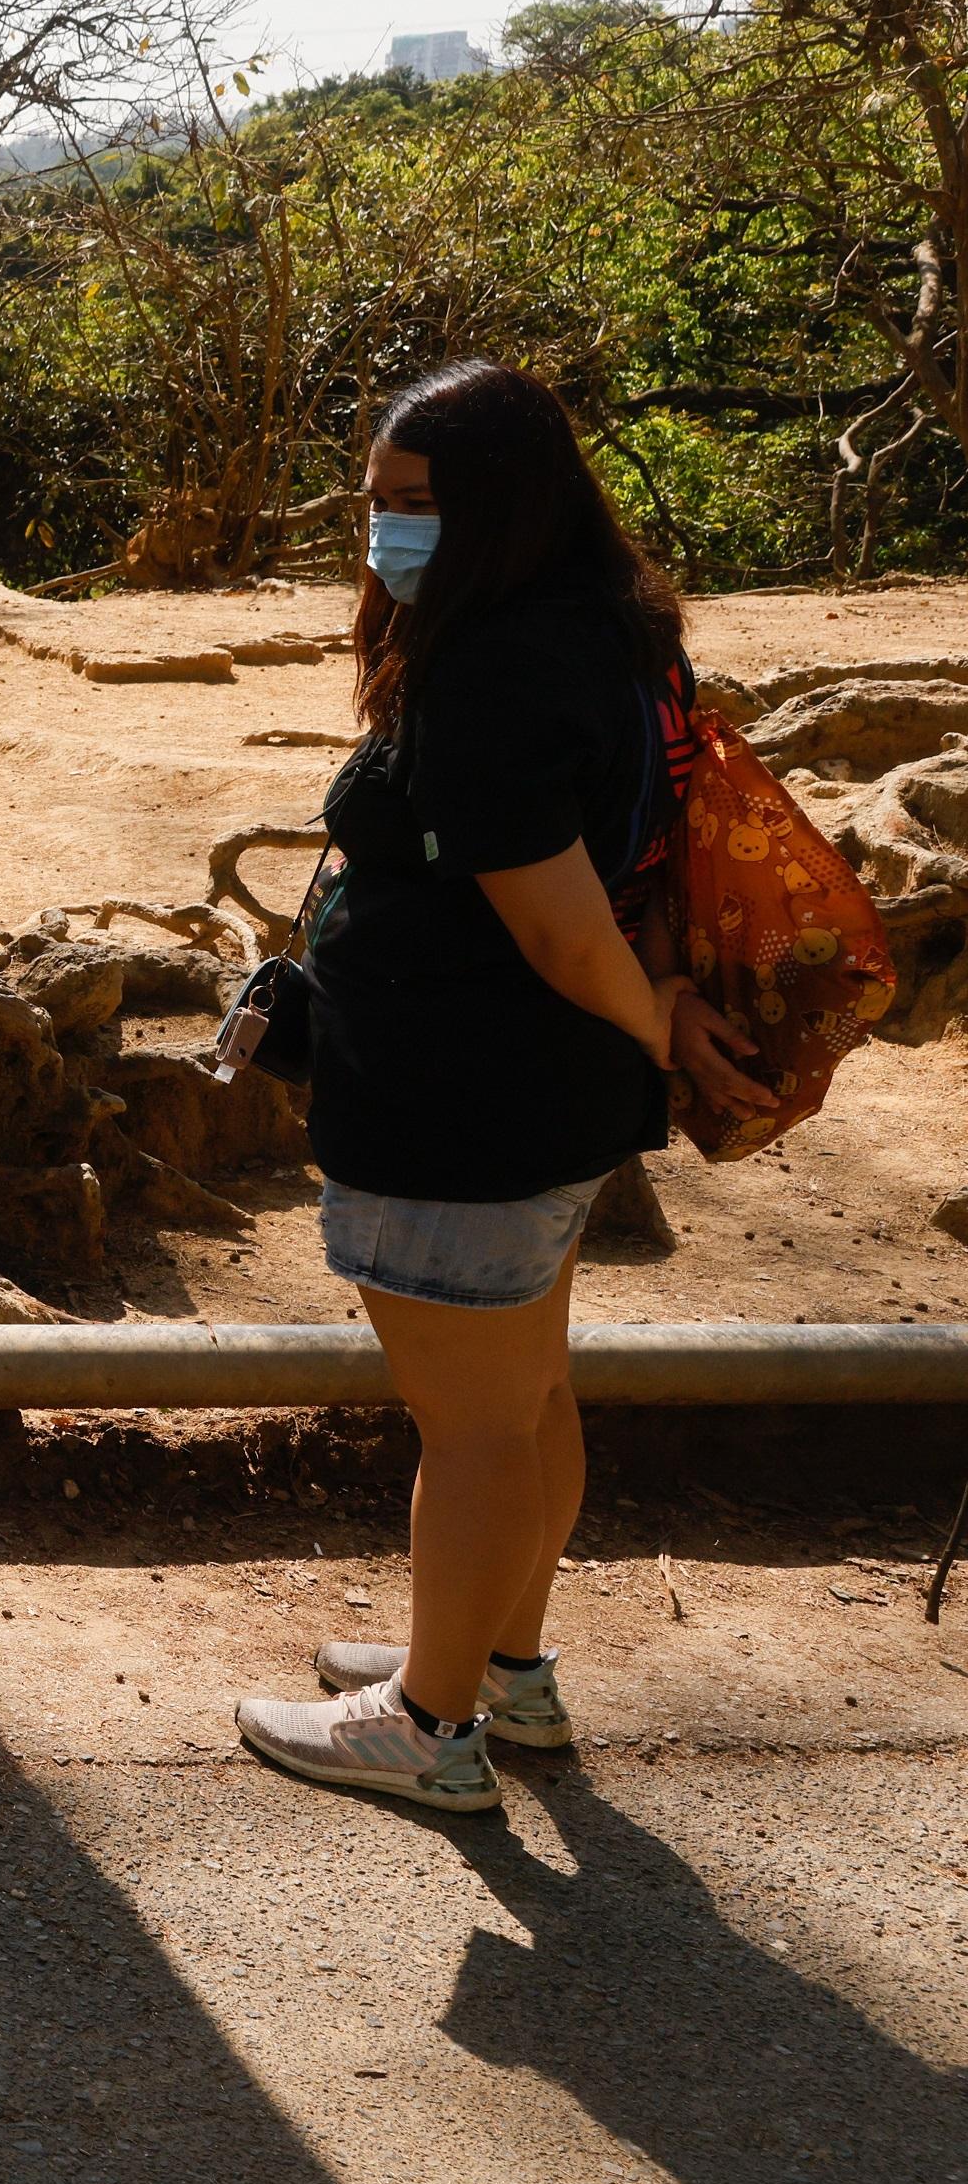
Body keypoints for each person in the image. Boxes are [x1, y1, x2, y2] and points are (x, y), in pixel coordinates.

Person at [235, 359, 776, 1814]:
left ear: (496, 507)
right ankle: (504, 1664)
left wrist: (657, 1020)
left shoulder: (489, 671)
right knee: (529, 1391)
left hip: (462, 1096)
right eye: (375, 504)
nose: (385, 533)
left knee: (469, 1426)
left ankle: (428, 1722)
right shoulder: (617, 627)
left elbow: (553, 922)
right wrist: (641, 1028)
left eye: (413, 506)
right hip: (555, 1101)